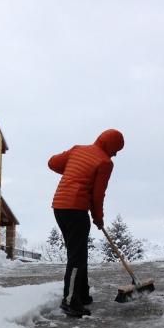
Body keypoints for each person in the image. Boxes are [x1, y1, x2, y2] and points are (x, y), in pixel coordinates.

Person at [48, 128, 125, 317]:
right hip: (76, 209)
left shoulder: (78, 150)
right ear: (110, 145)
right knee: (77, 257)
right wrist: (98, 217)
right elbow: (98, 195)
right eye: (116, 149)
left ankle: (82, 294)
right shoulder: (105, 162)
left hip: (59, 207)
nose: (115, 154)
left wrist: (73, 170)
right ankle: (70, 301)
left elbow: (52, 162)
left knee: (78, 253)